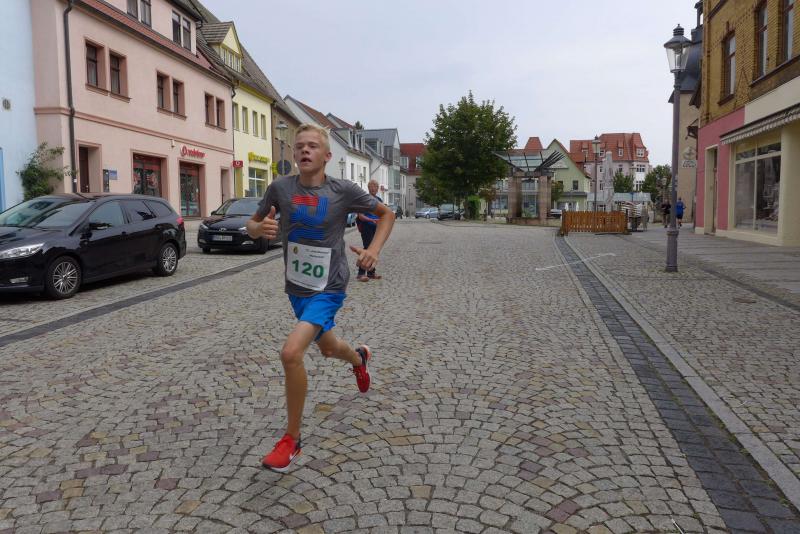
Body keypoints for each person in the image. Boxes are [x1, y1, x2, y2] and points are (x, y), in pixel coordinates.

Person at [247, 124, 395, 472]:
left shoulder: (343, 190)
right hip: (297, 288)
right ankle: (359, 358)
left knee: (291, 352)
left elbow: (387, 215)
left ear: (327, 156)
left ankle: (292, 440)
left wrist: (373, 250)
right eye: (299, 146)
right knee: (328, 349)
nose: (304, 150)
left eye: (312, 146)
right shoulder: (279, 188)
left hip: (330, 286)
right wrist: (259, 229)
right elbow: (252, 225)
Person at [355, 180, 383, 282]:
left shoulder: (379, 200)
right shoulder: (364, 200)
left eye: (375, 186)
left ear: (378, 188)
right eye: (371, 186)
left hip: (376, 228)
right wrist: (371, 220)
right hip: (366, 227)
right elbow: (360, 216)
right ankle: (361, 273)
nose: (373, 188)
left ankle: (371, 272)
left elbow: (383, 215)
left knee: (374, 250)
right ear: (368, 188)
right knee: (367, 249)